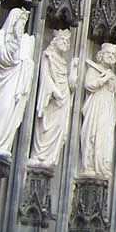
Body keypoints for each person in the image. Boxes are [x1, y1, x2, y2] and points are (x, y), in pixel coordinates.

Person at [0, 9, 36, 156]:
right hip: (3, 83)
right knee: (1, 109)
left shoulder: (24, 41)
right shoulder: (2, 35)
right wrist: (15, 41)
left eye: (24, 23)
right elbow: (1, 57)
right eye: (20, 22)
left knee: (9, 114)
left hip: (16, 85)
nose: (22, 26)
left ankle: (2, 144)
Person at [29, 29, 78, 168]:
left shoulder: (63, 62)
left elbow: (71, 85)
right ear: (55, 41)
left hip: (63, 99)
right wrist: (54, 90)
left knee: (58, 128)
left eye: (68, 41)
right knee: (45, 126)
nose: (66, 43)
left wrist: (74, 68)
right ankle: (40, 155)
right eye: (63, 40)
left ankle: (50, 157)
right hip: (52, 98)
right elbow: (45, 76)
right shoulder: (48, 55)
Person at [80, 43, 116, 178]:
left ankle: (103, 165)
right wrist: (104, 79)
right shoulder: (93, 70)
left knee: (106, 137)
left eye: (114, 55)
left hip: (108, 110)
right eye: (109, 53)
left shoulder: (114, 76)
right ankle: (89, 165)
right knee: (93, 133)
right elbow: (89, 85)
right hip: (96, 107)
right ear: (101, 55)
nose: (111, 57)